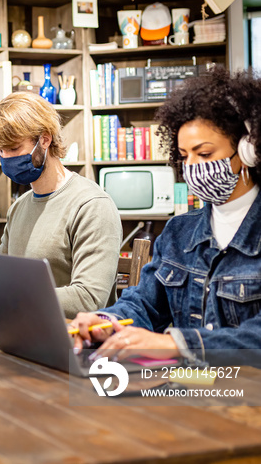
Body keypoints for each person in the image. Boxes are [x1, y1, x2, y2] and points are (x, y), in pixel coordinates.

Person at [70, 68, 261, 363]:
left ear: (249, 151)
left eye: (205, 154)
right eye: (184, 156)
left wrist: (176, 344)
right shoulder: (177, 232)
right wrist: (105, 323)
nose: (192, 168)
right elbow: (144, 304)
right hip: (192, 388)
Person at [0, 92, 122, 318]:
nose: (6, 158)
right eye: (0, 150)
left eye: (14, 148)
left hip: (74, 341)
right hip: (23, 325)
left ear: (45, 139)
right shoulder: (21, 206)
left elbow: (89, 299)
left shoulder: (92, 206)